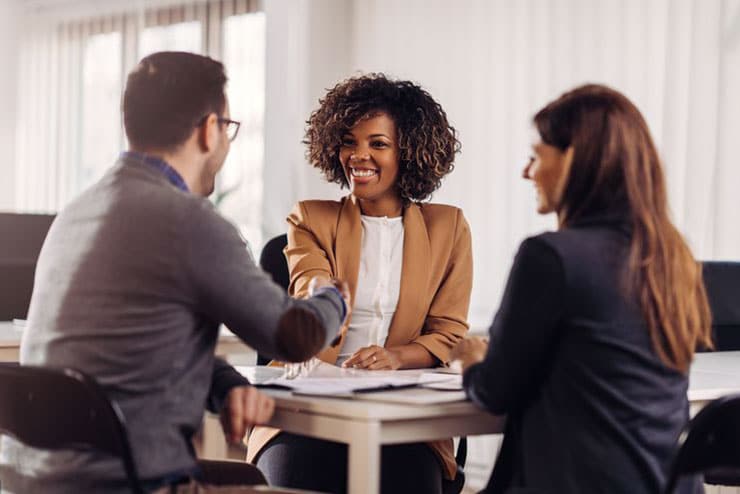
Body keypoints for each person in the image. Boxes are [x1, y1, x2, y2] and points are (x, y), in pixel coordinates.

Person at [0, 51, 348, 494]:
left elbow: (135, 352)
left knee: (249, 478)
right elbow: (295, 337)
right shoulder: (189, 221)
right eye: (228, 128)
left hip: (36, 480)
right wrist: (333, 295)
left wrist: (225, 387)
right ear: (209, 130)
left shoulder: (78, 212)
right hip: (130, 483)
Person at [451, 84, 712, 494]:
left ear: (574, 158)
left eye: (536, 156)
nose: (526, 171)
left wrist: (471, 359)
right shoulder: (671, 256)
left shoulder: (550, 257)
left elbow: (494, 391)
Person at [247, 73, 473, 494]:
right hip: (308, 408)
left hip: (404, 417)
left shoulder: (449, 228)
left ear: (410, 151)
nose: (358, 155)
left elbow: (448, 334)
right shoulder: (311, 219)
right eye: (349, 141)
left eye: (377, 143)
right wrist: (322, 296)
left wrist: (396, 357)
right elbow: (310, 290)